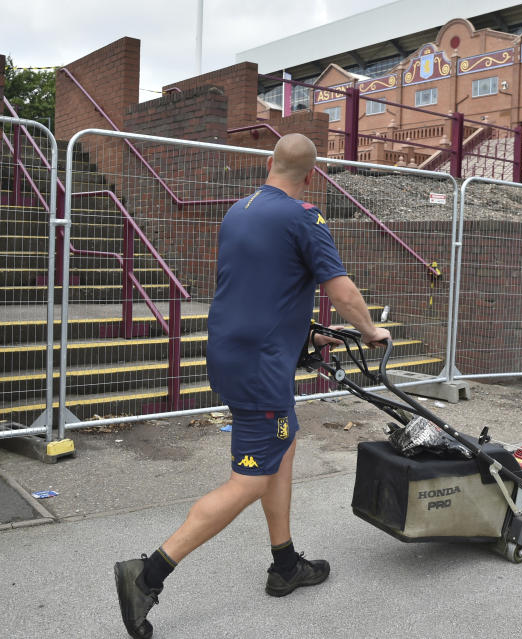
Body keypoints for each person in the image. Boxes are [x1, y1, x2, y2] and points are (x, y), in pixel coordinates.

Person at [114, 133, 391, 639]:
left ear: (269, 164)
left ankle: (285, 564)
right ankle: (148, 574)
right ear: (311, 176)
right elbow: (342, 290)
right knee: (249, 478)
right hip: (261, 364)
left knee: (281, 448)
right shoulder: (304, 217)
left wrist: (297, 328)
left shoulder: (237, 211)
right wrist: (371, 331)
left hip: (228, 350)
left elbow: (261, 283)